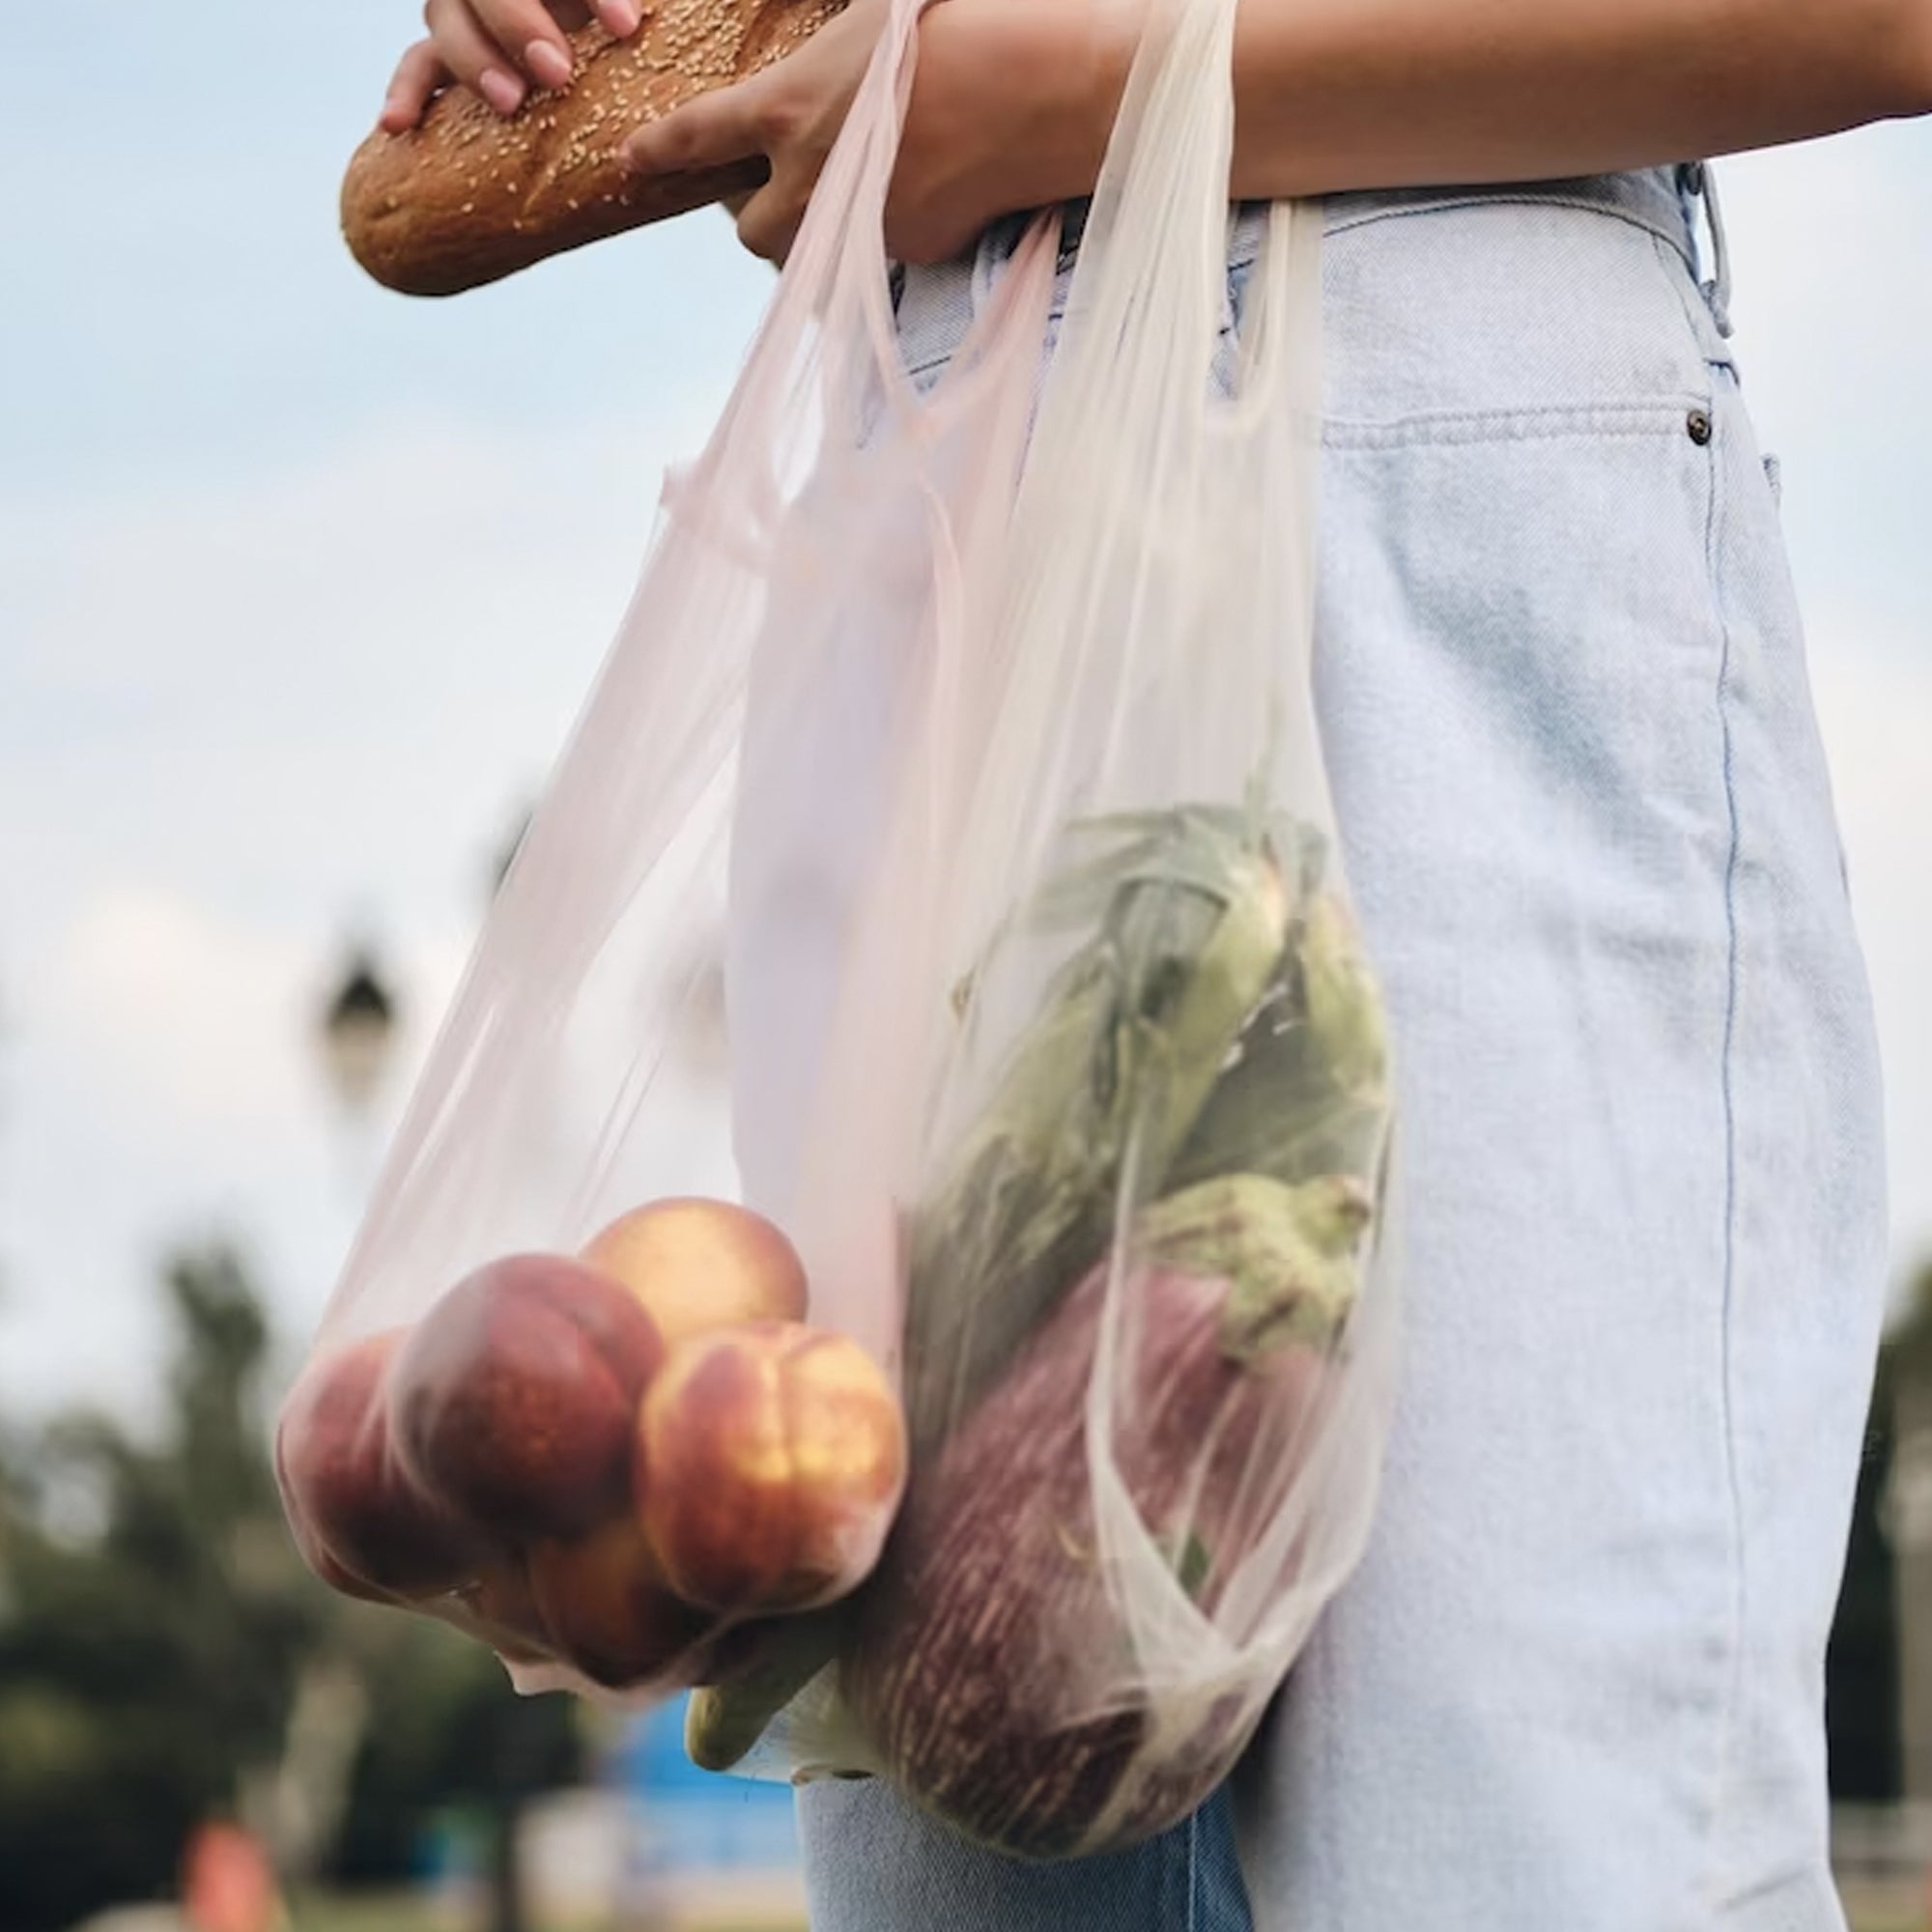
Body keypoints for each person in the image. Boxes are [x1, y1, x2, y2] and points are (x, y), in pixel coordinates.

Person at [381, 3, 1928, 1926]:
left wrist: (1088, 83)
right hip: (947, 449)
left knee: (1511, 1851)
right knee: (978, 1805)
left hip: (1414, 375)